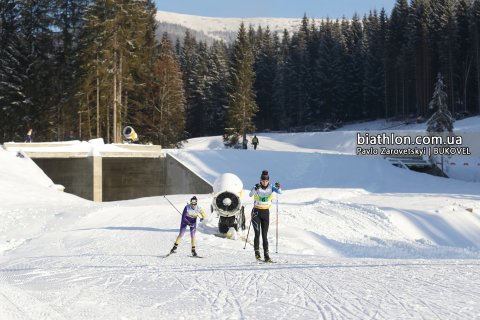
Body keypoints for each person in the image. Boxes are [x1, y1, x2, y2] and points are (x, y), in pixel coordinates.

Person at [249, 170, 282, 262]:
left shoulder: (271, 187)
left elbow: (280, 192)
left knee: (264, 235)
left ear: (268, 181)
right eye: (263, 181)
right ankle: (257, 255)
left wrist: (278, 187)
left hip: (265, 213)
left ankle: (266, 255)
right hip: (256, 213)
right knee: (257, 234)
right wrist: (255, 189)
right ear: (260, 180)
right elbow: (250, 194)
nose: (264, 183)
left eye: (266, 181)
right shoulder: (257, 187)